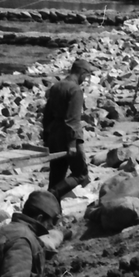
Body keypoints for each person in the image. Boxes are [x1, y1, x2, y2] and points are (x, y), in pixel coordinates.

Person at [43, 59, 94, 205]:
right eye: (87, 75)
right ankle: (54, 193)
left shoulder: (56, 87)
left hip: (54, 134)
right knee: (81, 174)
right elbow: (72, 119)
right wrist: (72, 143)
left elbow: (47, 114)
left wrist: (46, 137)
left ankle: (51, 211)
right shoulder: (75, 90)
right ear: (82, 73)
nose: (86, 79)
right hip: (68, 136)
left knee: (56, 175)